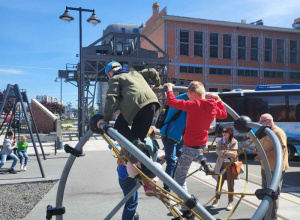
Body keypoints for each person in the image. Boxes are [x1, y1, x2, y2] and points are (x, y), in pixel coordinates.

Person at [164, 81, 227, 219]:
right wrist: (219, 100)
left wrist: (169, 89)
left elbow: (172, 102)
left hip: (190, 145)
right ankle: (204, 162)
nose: (189, 99)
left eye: (189, 96)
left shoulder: (195, 105)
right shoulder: (213, 105)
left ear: (193, 94)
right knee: (197, 153)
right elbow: (223, 115)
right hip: (201, 143)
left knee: (178, 178)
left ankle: (186, 209)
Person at [97, 61, 161, 162]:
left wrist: (106, 119)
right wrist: (157, 84)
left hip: (136, 105)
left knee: (119, 125)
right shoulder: (135, 73)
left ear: (109, 74)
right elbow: (152, 72)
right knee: (139, 138)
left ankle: (133, 153)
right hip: (152, 104)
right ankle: (145, 163)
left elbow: (111, 98)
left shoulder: (114, 78)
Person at [254, 113, 289, 220]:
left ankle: (272, 216)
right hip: (265, 167)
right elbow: (261, 144)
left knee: (272, 193)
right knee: (265, 192)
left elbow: (280, 150)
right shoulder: (265, 131)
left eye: (262, 122)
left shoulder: (278, 132)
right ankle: (266, 214)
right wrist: (257, 149)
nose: (260, 124)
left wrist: (262, 155)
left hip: (275, 169)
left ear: (269, 121)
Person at [211, 127, 238, 211]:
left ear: (230, 133)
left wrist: (224, 152)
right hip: (221, 165)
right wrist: (227, 152)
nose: (224, 133)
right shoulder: (220, 141)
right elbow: (217, 152)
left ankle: (230, 202)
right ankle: (217, 200)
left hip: (230, 165)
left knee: (231, 184)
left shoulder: (234, 141)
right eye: (223, 132)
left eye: (226, 132)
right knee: (219, 184)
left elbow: (234, 153)